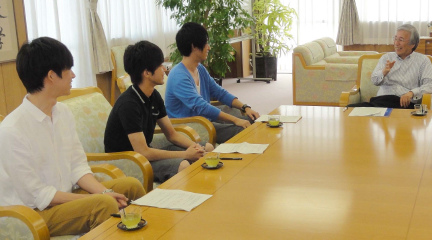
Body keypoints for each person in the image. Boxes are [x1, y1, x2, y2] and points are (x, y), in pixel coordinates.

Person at [0, 37, 146, 237]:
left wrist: (103, 192)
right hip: (32, 213)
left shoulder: (62, 113)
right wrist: (100, 198)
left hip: (65, 195)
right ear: (51, 76)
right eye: (69, 69)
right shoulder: (12, 130)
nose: (74, 74)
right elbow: (38, 195)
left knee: (130, 186)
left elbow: (78, 166)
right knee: (103, 205)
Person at [104, 40, 214, 183]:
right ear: (147, 73)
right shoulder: (128, 104)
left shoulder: (153, 95)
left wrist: (193, 147)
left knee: (207, 148)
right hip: (128, 161)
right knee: (184, 164)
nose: (164, 69)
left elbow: (172, 134)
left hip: (144, 155)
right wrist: (186, 154)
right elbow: (143, 151)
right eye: (160, 66)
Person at [165, 22, 260, 144]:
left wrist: (245, 107)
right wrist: (236, 120)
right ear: (194, 46)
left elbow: (219, 92)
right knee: (242, 130)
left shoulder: (200, 69)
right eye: (205, 44)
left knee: (251, 118)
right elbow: (201, 107)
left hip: (204, 121)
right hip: (192, 127)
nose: (208, 47)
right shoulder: (178, 76)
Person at [348, 24, 432, 109]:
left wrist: (411, 93)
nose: (396, 43)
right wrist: (384, 72)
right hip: (381, 101)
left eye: (401, 40)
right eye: (395, 39)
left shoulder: (423, 61)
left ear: (412, 44)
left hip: (405, 104)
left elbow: (431, 85)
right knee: (349, 110)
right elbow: (374, 81)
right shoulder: (386, 58)